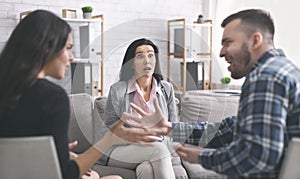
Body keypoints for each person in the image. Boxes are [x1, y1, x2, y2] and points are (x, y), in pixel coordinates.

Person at [125, 9, 300, 178]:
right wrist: (169, 128)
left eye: (228, 42)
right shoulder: (283, 71)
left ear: (255, 41)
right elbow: (231, 129)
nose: (221, 52)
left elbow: (257, 156)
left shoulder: (267, 77)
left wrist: (202, 158)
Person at [0, 10, 157, 179]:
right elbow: (65, 174)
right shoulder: (52, 98)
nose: (71, 57)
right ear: (46, 46)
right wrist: (109, 139)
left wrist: (53, 154)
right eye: (68, 48)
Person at [101, 38, 179, 179]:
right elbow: (107, 131)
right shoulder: (117, 90)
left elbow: (174, 129)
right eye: (140, 56)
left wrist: (157, 138)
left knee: (147, 169)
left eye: (150, 55)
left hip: (156, 147)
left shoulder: (167, 89)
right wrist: (137, 138)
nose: (147, 61)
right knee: (158, 149)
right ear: (131, 63)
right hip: (121, 150)